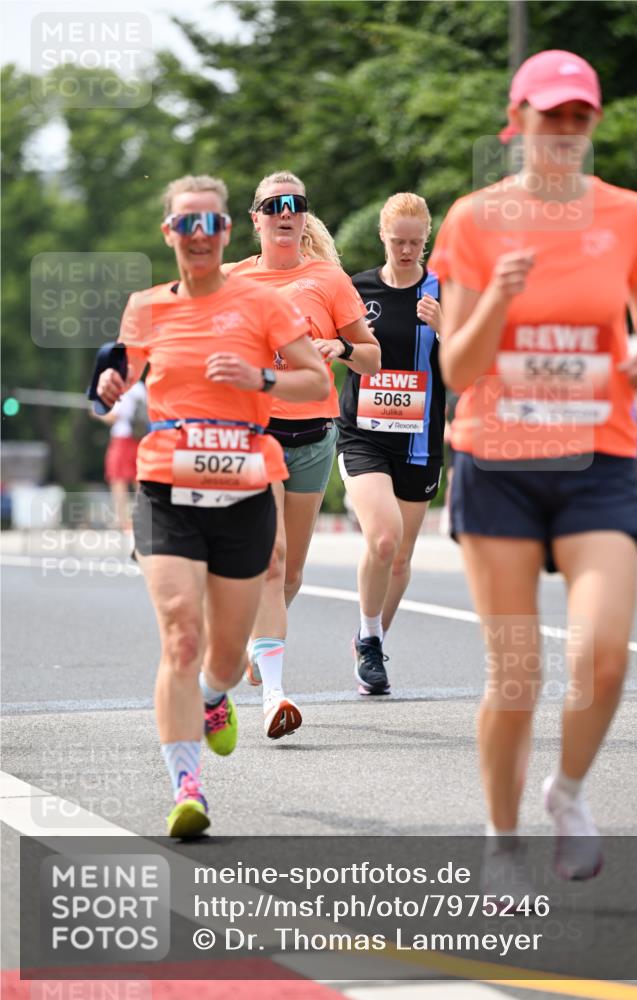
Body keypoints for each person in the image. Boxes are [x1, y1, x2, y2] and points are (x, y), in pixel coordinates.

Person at [430, 50, 637, 880]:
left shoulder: (628, 214)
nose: (564, 130)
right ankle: (501, 842)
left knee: (603, 655)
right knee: (516, 673)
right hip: (497, 460)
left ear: (591, 124)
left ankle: (566, 792)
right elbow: (457, 371)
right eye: (548, 114)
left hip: (596, 457)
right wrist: (496, 296)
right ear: (517, 120)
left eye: (578, 116)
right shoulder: (472, 219)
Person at [95, 174, 329, 837]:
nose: (198, 237)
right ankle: (186, 788)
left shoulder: (261, 304)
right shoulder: (146, 307)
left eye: (210, 225)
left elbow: (314, 376)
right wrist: (109, 389)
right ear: (170, 234)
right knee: (179, 632)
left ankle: (214, 697)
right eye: (185, 225)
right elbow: (118, 378)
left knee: (224, 657)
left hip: (244, 492)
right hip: (168, 487)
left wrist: (261, 377)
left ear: (226, 233)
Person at [223, 171, 380, 738]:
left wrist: (339, 345)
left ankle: (254, 642)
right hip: (254, 431)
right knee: (270, 558)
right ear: (257, 218)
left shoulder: (329, 278)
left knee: (289, 575)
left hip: (314, 434)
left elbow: (372, 357)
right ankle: (276, 696)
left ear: (303, 216)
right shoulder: (233, 278)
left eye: (296, 205)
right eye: (274, 205)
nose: (286, 212)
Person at [335, 193, 445, 694]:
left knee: (400, 557)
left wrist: (447, 326)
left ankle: (369, 639)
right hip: (363, 434)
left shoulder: (444, 291)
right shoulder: (356, 289)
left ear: (427, 240)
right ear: (383, 235)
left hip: (420, 440)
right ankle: (372, 642)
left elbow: (472, 357)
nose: (406, 251)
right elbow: (327, 346)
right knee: (382, 537)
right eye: (398, 241)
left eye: (416, 243)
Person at [92, 380, 146, 529]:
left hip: (122, 438)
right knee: (139, 480)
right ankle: (141, 519)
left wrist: (96, 412)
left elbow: (114, 416)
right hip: (140, 438)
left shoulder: (120, 387)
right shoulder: (140, 387)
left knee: (118, 479)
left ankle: (121, 520)